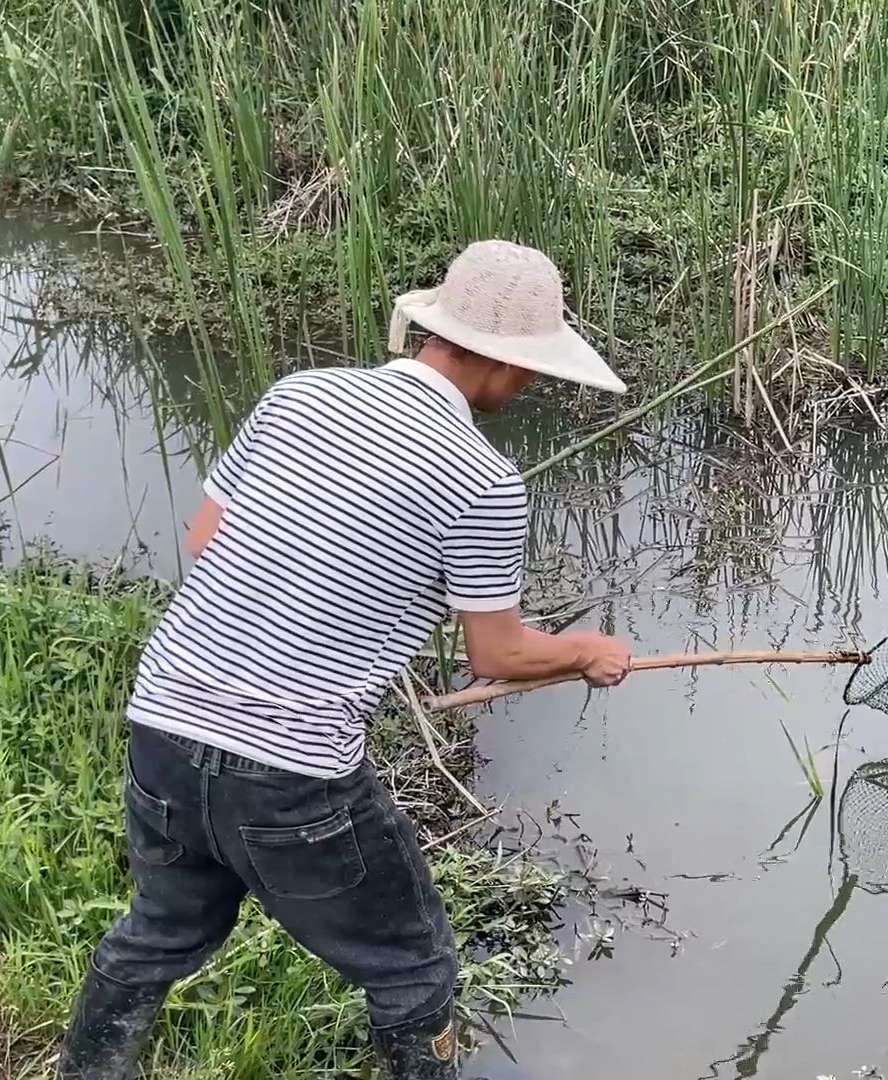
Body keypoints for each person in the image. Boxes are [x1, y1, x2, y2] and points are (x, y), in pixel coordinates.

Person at [59, 241, 633, 1079]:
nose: (534, 385)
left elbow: (206, 541)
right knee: (414, 966)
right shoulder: (484, 478)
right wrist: (587, 651)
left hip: (164, 721)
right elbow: (497, 651)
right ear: (506, 364)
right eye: (535, 370)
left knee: (161, 931)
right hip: (290, 770)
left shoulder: (297, 394)